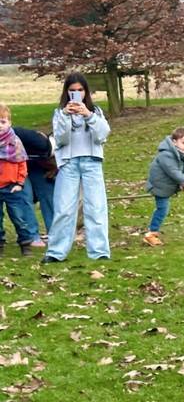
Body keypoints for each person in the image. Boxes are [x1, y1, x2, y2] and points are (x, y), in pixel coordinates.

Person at [43, 73, 111, 263]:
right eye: (72, 90)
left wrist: (87, 115)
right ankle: (56, 252)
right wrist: (66, 115)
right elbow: (61, 139)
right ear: (66, 92)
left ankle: (99, 251)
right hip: (69, 163)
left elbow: (103, 135)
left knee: (96, 207)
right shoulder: (59, 113)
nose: (76, 94)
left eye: (80, 90)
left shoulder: (95, 111)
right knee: (64, 208)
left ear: (86, 92)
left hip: (92, 162)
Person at [0, 104, 44, 256]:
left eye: (3, 121)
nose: (0, 126)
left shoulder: (15, 142)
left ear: (9, 122)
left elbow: (22, 163)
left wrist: (19, 183)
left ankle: (25, 244)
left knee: (19, 217)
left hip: (12, 186)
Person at [143, 126, 184, 246]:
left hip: (168, 186)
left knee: (163, 209)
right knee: (162, 209)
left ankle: (152, 232)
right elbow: (172, 171)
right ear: (174, 142)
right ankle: (151, 233)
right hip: (159, 186)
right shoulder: (166, 154)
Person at [13, 124, 57, 234]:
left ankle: (55, 233)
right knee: (25, 195)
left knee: (48, 193)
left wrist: (55, 166)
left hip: (37, 165)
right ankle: (32, 235)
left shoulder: (46, 149)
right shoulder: (37, 141)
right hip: (17, 165)